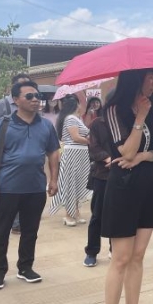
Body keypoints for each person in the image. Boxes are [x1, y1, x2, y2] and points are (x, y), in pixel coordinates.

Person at [101, 68, 153, 304]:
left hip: (147, 185)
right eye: (150, 77)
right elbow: (125, 152)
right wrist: (139, 118)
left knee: (138, 255)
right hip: (123, 187)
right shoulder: (115, 110)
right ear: (136, 79)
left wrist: (143, 157)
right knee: (121, 258)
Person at [0, 81, 60, 290]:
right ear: (16, 100)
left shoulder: (46, 125)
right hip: (7, 187)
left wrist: (54, 179)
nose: (35, 100)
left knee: (30, 231)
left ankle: (25, 268)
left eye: (37, 96)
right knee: (1, 232)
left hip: (35, 188)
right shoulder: (5, 123)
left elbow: (53, 151)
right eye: (29, 96)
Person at [0, 72, 31, 235]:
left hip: (20, 154)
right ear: (12, 87)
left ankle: (16, 223)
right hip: (1, 153)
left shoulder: (30, 105)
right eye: (21, 85)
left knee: (19, 186)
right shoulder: (1, 105)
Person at [49, 95, 91, 226]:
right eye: (79, 103)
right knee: (71, 183)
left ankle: (75, 212)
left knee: (77, 182)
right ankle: (69, 214)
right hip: (74, 153)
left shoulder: (76, 118)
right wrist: (91, 141)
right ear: (75, 105)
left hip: (79, 153)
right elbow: (75, 137)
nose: (80, 106)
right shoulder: (71, 118)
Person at [84, 91, 114, 267]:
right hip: (102, 175)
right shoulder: (97, 124)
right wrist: (108, 159)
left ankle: (114, 248)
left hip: (121, 173)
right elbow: (93, 148)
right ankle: (92, 251)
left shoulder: (127, 123)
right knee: (97, 215)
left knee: (118, 214)